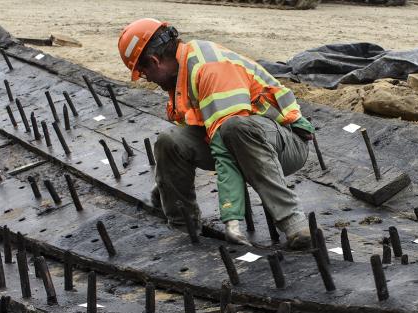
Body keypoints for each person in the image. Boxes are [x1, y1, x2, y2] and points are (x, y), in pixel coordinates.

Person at [118, 18, 314, 249]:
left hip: (286, 144)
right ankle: (184, 229)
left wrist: (232, 219)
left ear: (155, 61)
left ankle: (294, 223)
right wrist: (164, 185)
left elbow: (225, 148)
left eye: (143, 72)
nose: (147, 79)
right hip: (240, 141)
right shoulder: (182, 73)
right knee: (169, 141)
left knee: (235, 128)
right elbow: (201, 132)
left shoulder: (210, 68)